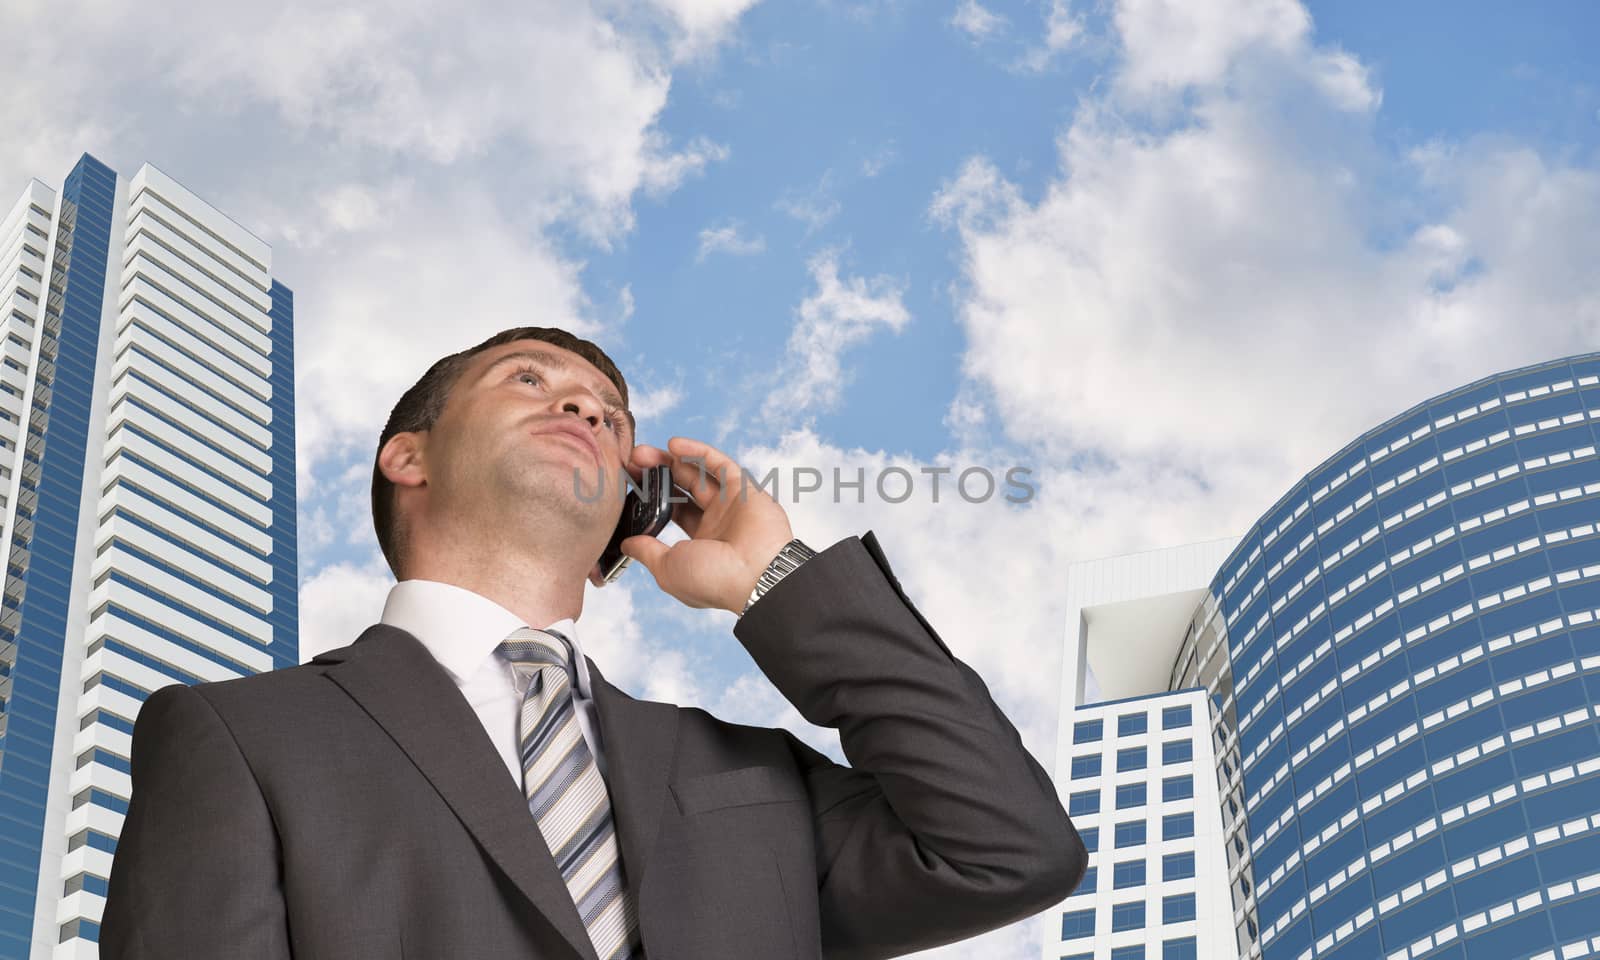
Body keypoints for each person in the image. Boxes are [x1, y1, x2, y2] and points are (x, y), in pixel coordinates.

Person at [99, 326, 1086, 959]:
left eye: (612, 419)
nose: (581, 408)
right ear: (409, 456)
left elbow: (1007, 852)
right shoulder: (237, 736)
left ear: (630, 516)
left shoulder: (748, 775)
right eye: (528, 380)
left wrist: (772, 582)